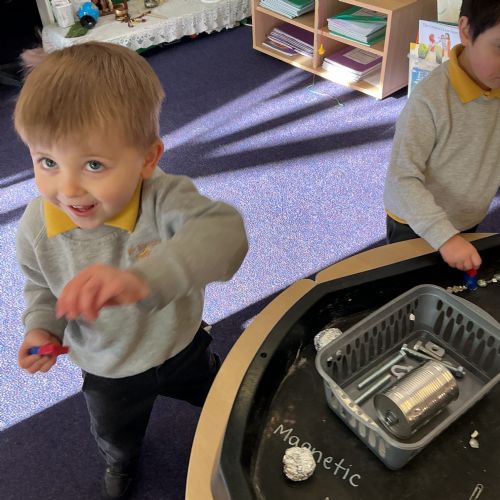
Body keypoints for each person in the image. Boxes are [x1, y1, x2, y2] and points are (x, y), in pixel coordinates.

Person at [14, 42, 248, 499]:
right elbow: (40, 285)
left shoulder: (164, 197)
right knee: (116, 434)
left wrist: (144, 278)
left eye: (94, 164)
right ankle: (121, 462)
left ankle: (237, 421)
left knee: (222, 397)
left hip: (180, 344)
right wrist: (42, 328)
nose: (68, 189)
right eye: (47, 162)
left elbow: (225, 234)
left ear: (147, 158)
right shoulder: (37, 226)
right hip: (108, 368)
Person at [384, 0, 500, 272]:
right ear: (466, 30)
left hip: (466, 217)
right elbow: (401, 179)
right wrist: (445, 237)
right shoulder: (429, 101)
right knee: (409, 284)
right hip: (415, 223)